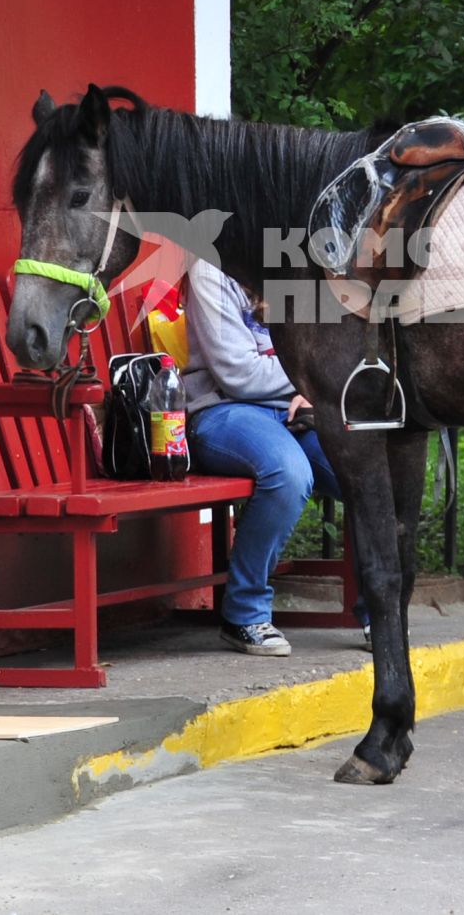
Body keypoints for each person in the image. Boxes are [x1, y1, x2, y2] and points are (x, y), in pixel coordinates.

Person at [183, 259, 348, 655]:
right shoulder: (211, 270)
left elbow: (334, 346)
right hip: (222, 411)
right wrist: (313, 381)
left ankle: (378, 612)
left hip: (293, 406)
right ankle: (244, 613)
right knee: (287, 473)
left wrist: (311, 393)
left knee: (361, 471)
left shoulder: (298, 263)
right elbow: (238, 374)